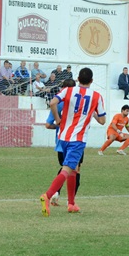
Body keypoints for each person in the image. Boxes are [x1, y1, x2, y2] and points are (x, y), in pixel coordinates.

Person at [39, 67, 106, 216]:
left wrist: (58, 119)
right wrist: (93, 113)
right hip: (78, 139)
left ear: (77, 79)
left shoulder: (68, 90)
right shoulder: (96, 96)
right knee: (67, 169)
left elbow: (52, 103)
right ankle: (47, 196)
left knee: (74, 169)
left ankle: (71, 204)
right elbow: (102, 120)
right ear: (92, 81)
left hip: (62, 137)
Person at [45, 78, 80, 207]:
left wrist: (58, 125)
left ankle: (56, 194)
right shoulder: (77, 102)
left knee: (66, 168)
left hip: (60, 143)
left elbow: (48, 125)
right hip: (75, 140)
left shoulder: (58, 104)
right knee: (74, 170)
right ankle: (70, 201)